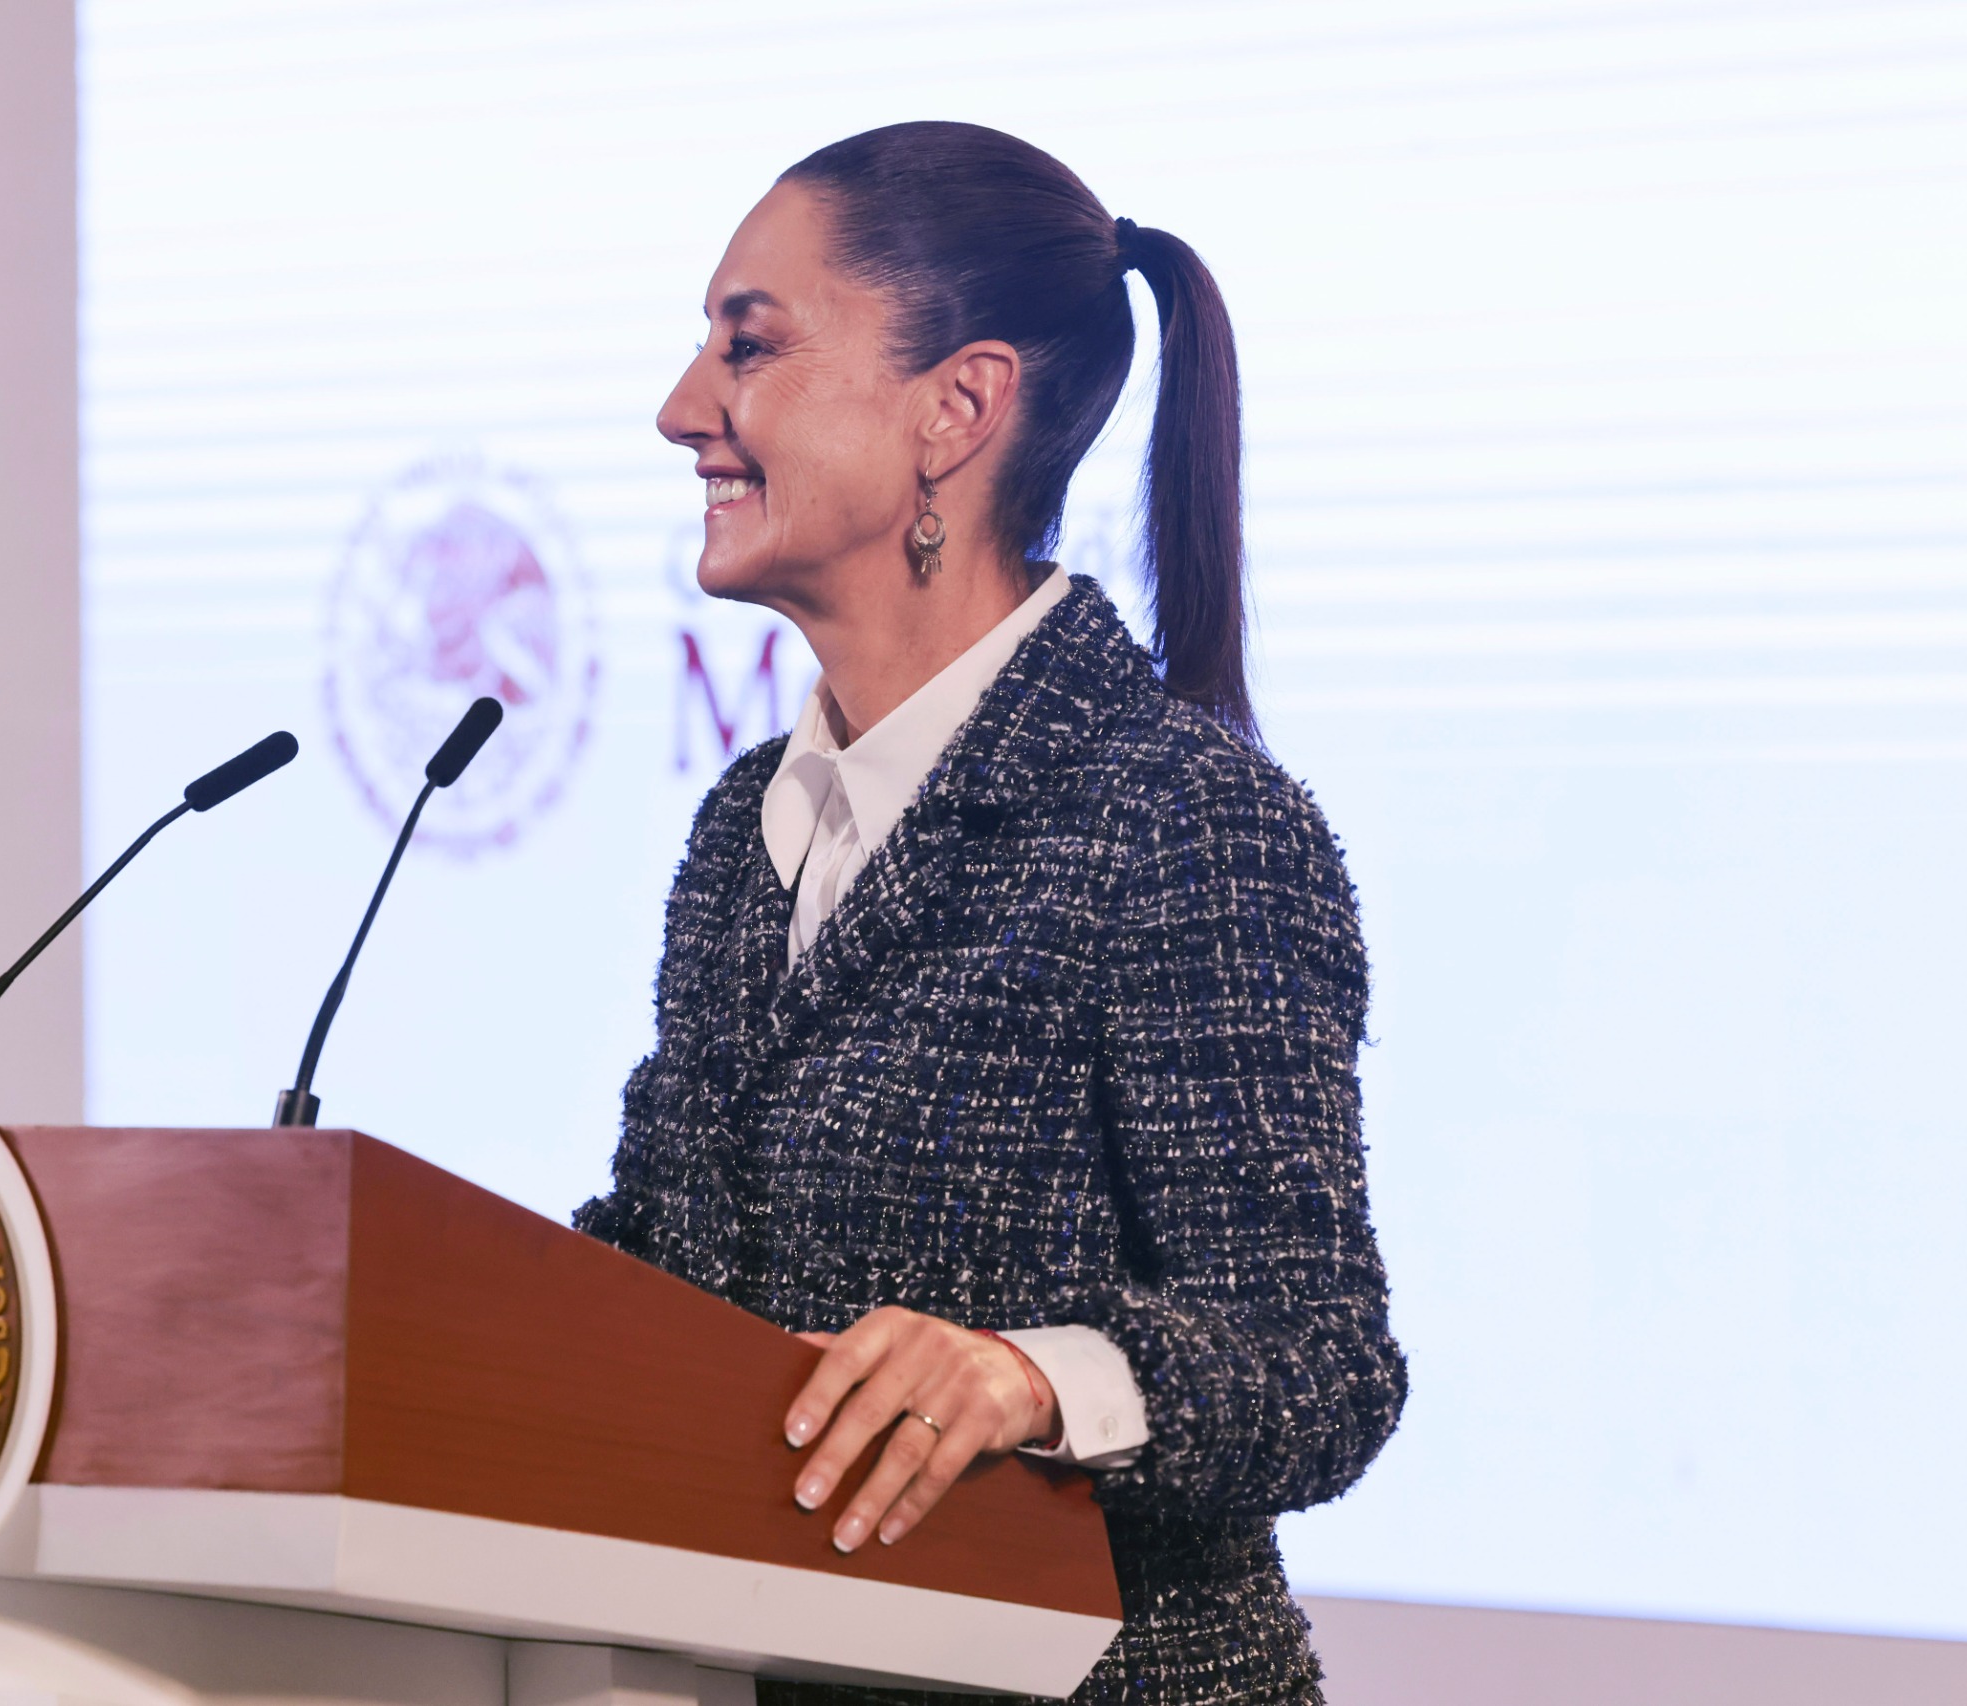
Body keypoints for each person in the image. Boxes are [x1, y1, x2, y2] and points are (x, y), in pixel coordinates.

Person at [574, 122, 1406, 1706]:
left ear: (958, 406)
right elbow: (665, 1272)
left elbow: (1318, 1363)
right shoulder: (743, 830)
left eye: (747, 346)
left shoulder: (1181, 818)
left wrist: (1031, 1375)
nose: (685, 411)